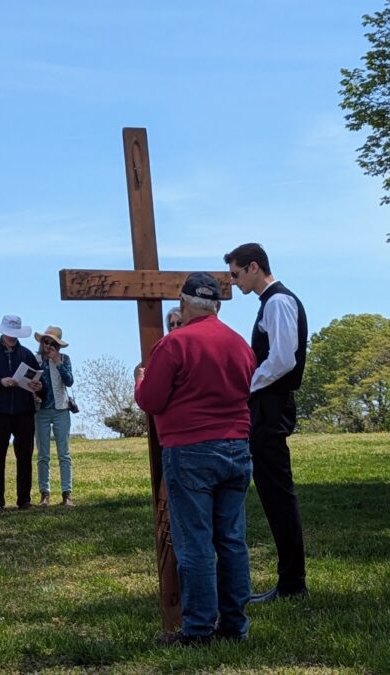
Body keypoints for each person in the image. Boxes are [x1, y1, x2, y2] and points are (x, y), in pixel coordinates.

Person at [134, 272, 257, 645]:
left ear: (184, 304)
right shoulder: (239, 345)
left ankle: (199, 629)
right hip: (237, 447)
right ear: (217, 305)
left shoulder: (175, 344)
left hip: (190, 450)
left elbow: (151, 401)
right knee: (232, 539)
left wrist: (141, 381)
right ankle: (235, 625)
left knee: (195, 543)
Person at [225, 242, 309, 603]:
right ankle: (290, 581)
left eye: (235, 274)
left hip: (271, 406)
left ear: (253, 267)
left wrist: (247, 385)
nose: (233, 281)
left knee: (278, 494)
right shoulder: (270, 303)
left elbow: (283, 359)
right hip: (267, 404)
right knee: (273, 493)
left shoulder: (277, 302)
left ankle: (292, 583)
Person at [0, 315, 42, 510]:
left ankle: (24, 499)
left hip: (24, 412)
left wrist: (38, 386)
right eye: (9, 334)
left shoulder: (27, 355)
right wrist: (0, 382)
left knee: (25, 456)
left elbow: (39, 384)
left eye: (15, 334)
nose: (12, 338)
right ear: (2, 332)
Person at [32, 326, 75, 508]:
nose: (48, 346)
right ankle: (45, 494)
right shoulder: (35, 360)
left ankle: (66, 494)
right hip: (40, 410)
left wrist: (58, 362)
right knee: (43, 455)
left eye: (52, 343)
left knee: (64, 454)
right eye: (45, 341)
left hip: (61, 409)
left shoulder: (64, 359)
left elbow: (70, 381)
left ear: (58, 347)